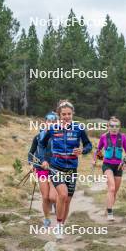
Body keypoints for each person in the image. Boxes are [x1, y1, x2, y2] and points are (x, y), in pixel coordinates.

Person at [40, 100, 92, 239]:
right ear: (59, 115)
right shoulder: (53, 128)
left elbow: (88, 145)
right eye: (64, 114)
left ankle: (61, 225)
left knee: (67, 200)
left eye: (69, 114)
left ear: (72, 114)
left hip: (71, 168)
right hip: (56, 166)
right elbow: (43, 144)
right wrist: (44, 159)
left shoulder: (79, 128)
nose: (67, 116)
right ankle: (58, 226)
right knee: (62, 195)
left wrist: (82, 150)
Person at [92, 116, 126, 221]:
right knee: (112, 188)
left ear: (119, 127)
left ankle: (108, 208)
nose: (114, 128)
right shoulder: (104, 137)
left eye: (117, 126)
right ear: (108, 127)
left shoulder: (123, 137)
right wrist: (96, 159)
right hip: (107, 165)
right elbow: (98, 150)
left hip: (119, 166)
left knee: (115, 191)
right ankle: (110, 214)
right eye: (112, 126)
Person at [28, 112, 58, 228]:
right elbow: (31, 152)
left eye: (53, 121)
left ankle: (56, 204)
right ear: (45, 122)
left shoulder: (58, 137)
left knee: (52, 197)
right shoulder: (37, 137)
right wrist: (31, 163)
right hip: (40, 169)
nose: (51, 123)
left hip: (55, 169)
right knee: (45, 197)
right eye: (49, 121)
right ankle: (46, 219)